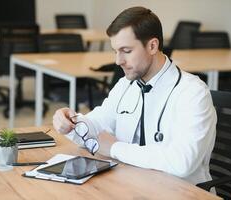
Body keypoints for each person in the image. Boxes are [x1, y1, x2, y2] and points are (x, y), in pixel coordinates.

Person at [52, 6, 216, 185]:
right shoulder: (126, 84)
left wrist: (115, 148)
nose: (118, 61)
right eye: (116, 51)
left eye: (126, 51)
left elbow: (182, 162)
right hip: (132, 184)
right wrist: (70, 123)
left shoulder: (193, 93)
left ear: (152, 46)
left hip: (181, 192)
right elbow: (98, 123)